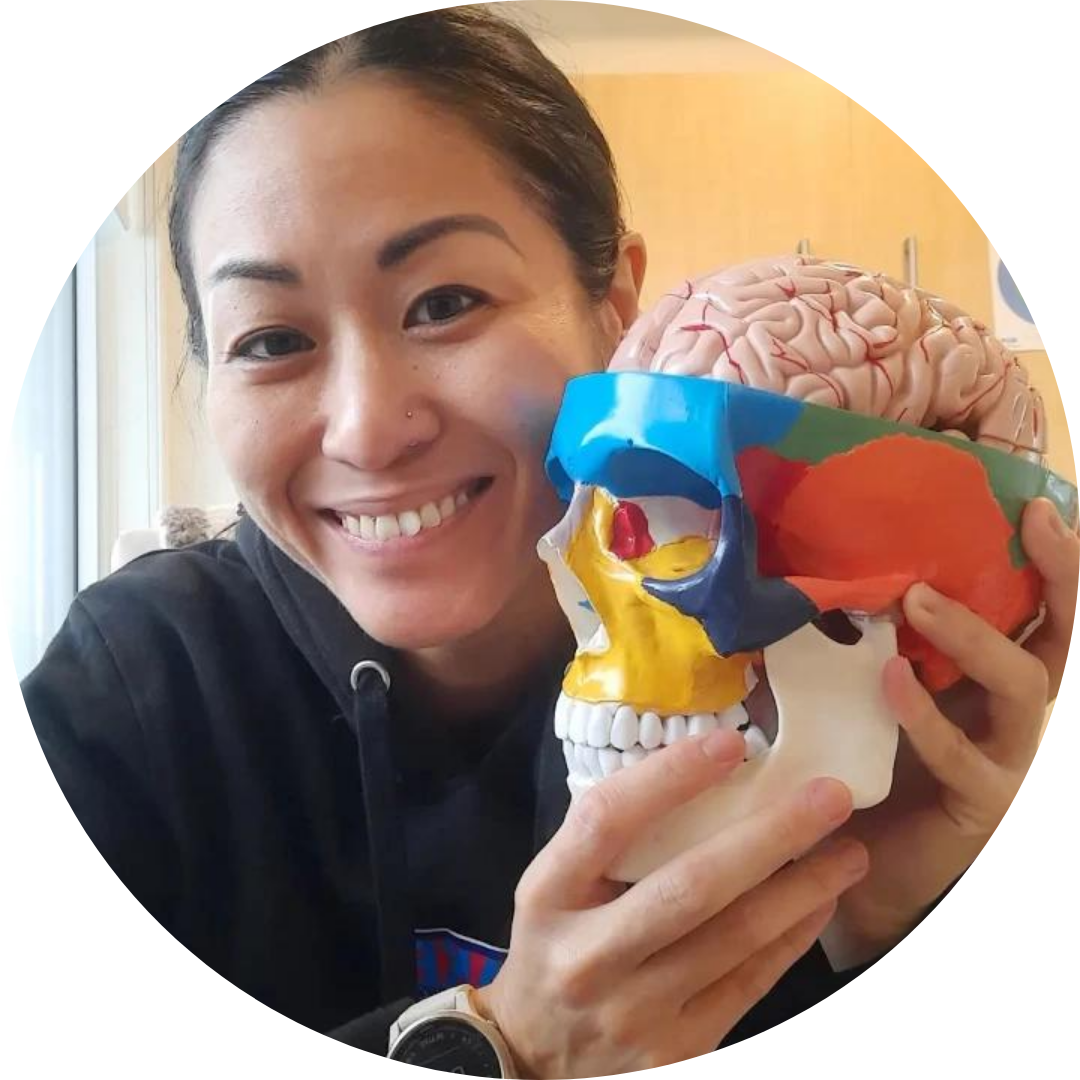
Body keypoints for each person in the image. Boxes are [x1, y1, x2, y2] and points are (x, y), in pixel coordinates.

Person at [22, 7, 1078, 1076]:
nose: (368, 430)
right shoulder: (131, 694)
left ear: (615, 305)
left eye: (443, 303)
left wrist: (898, 935)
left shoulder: (813, 643)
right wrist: (501, 1048)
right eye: (273, 340)